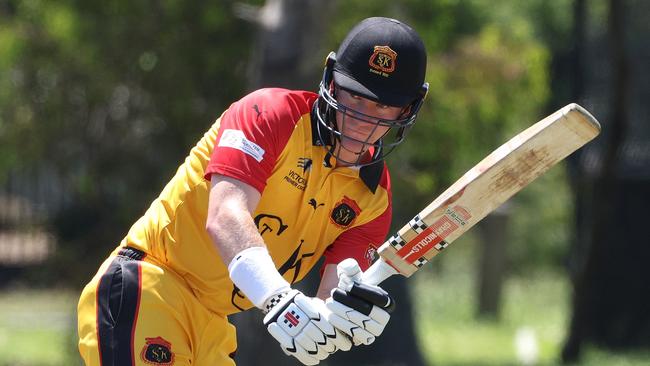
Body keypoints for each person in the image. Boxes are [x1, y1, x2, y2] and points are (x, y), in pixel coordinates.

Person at [77, 16, 428, 365]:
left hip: (212, 323)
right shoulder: (270, 114)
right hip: (150, 286)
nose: (362, 120)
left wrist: (339, 323)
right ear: (331, 82)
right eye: (355, 97)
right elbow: (225, 215)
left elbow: (329, 300)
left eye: (382, 106)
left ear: (408, 109)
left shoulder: (373, 195)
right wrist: (277, 299)